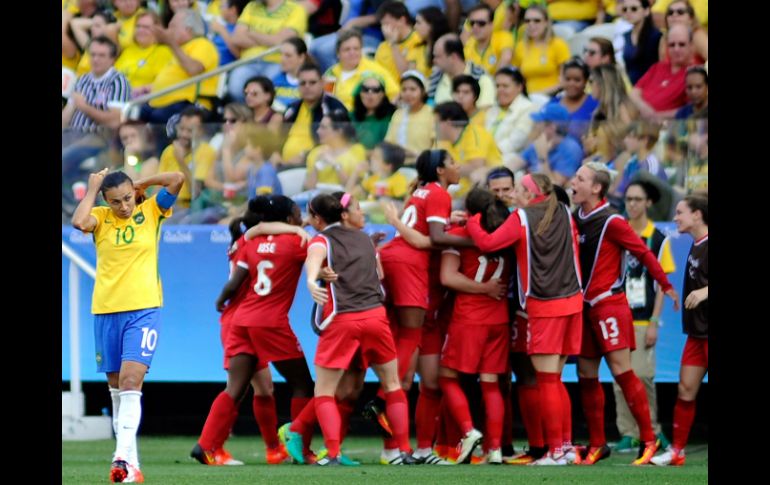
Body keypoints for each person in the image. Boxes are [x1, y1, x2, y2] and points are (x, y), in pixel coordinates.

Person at [71, 168, 185, 483]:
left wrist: (142, 184)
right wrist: (93, 187)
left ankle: (120, 458)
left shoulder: (152, 209)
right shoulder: (99, 217)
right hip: (106, 310)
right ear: (106, 202)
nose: (123, 206)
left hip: (144, 310)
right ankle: (131, 466)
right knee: (117, 389)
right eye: (116, 202)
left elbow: (177, 178)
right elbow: (79, 222)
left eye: (126, 198)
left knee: (132, 381)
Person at [463, 172, 584, 466]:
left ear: (530, 193)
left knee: (545, 380)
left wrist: (471, 222)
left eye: (518, 188)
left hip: (544, 306)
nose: (514, 192)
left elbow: (489, 244)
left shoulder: (522, 217)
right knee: (555, 379)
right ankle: (565, 447)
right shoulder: (564, 212)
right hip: (573, 301)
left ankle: (554, 451)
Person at [569, 162, 679, 466]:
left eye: (580, 178)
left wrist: (666, 285)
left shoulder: (612, 221)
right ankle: (597, 444)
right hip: (585, 306)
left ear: (596, 188)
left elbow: (644, 253)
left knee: (622, 370)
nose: (573, 182)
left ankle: (649, 440)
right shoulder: (574, 217)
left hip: (609, 306)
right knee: (585, 374)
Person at [193, 195, 316, 466]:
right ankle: (299, 447)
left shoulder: (249, 240)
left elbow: (236, 280)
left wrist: (219, 301)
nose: (300, 219)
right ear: (286, 219)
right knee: (302, 385)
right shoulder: (297, 242)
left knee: (240, 387)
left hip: (239, 319)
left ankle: (207, 445)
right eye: (296, 214)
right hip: (269, 321)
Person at [302, 192, 415, 465]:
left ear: (318, 219)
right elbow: (381, 275)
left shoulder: (321, 240)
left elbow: (313, 260)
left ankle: (333, 454)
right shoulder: (365, 238)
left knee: (325, 391)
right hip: (376, 317)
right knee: (393, 385)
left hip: (343, 320)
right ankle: (404, 450)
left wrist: (311, 279)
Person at [438, 187, 510, 464]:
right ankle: (494, 449)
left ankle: (468, 431)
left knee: (447, 377)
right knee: (491, 385)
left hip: (470, 319)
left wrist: (481, 288)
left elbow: (447, 277)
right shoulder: (504, 235)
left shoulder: (458, 236)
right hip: (499, 318)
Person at [613, 181, 676, 453]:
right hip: (618, 314)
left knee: (643, 376)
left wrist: (654, 321)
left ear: (648, 203)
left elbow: (663, 284)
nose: (632, 204)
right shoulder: (617, 231)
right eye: (628, 199)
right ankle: (628, 432)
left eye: (638, 199)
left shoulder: (659, 238)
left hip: (642, 316)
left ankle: (652, 429)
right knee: (620, 378)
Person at [651, 193, 707, 467]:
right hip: (697, 334)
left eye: (680, 212)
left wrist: (705, 292)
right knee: (685, 389)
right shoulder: (695, 244)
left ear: (697, 215)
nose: (675, 218)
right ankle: (677, 452)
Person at [279, 63, 347, 167]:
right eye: (303, 83)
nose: (307, 87)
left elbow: (340, 142)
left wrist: (305, 156)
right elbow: (280, 136)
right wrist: (275, 153)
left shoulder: (334, 107)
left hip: (319, 165)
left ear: (322, 83)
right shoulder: (292, 108)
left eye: (312, 82)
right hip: (285, 165)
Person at [385, 70, 435, 161]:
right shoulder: (398, 114)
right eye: (404, 89)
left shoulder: (432, 114)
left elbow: (437, 146)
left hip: (423, 166)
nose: (408, 94)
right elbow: (389, 143)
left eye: (413, 89)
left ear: (423, 91)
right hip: (397, 166)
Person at [350, 73, 397, 150]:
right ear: (360, 93)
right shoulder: (350, 116)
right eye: (365, 89)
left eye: (376, 90)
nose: (370, 93)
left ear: (382, 94)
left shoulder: (392, 117)